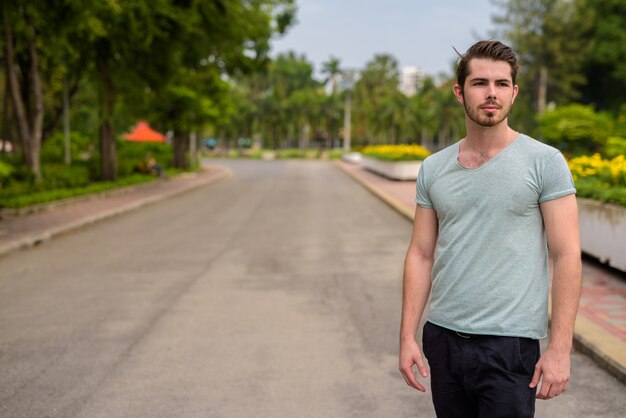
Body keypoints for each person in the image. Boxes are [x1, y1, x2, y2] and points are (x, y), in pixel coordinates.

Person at [398, 40, 582, 418]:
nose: (491, 94)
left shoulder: (544, 162)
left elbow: (566, 256)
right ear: (459, 92)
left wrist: (560, 349)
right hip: (443, 338)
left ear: (514, 93)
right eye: (480, 83)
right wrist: (407, 336)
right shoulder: (433, 168)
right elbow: (420, 253)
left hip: (510, 345)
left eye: (501, 84)